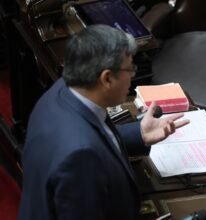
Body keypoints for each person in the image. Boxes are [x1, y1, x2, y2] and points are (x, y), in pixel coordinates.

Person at [17, 24, 189, 220]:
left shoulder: (64, 89)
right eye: (130, 69)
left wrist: (139, 133)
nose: (133, 75)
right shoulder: (79, 157)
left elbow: (93, 135)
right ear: (107, 78)